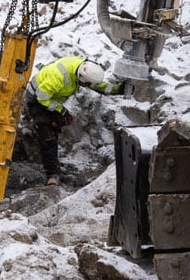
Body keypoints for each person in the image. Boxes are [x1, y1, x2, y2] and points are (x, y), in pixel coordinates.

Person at [25, 56, 124, 185]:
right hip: (37, 99)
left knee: (54, 132)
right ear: (81, 79)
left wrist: (117, 89)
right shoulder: (59, 76)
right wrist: (62, 111)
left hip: (50, 97)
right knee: (48, 136)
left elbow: (96, 86)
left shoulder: (84, 70)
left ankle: (56, 170)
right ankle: (52, 175)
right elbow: (41, 97)